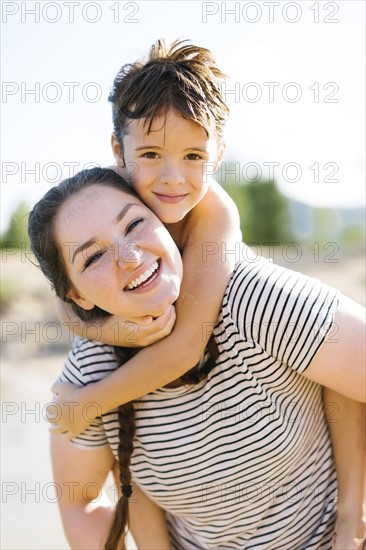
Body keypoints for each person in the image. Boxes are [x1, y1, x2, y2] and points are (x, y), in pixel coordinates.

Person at [45, 39, 364, 548]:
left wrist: (88, 404)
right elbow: (72, 298)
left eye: (193, 155)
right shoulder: (100, 227)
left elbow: (185, 343)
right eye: (150, 154)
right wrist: (106, 328)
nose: (173, 178)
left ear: (217, 152)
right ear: (117, 151)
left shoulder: (223, 239)